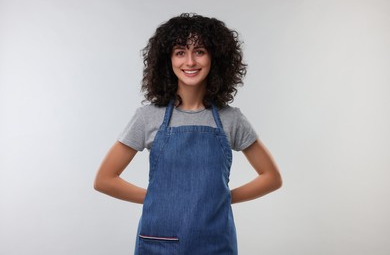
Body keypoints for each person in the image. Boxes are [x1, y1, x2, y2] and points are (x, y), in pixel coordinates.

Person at [94, 13, 282, 255]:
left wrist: (219, 200)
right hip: (159, 239)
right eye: (180, 52)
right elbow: (104, 179)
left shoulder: (231, 119)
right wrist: (159, 199)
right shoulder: (147, 117)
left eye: (200, 51)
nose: (190, 61)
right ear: (168, 60)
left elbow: (272, 177)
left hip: (215, 241)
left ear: (215, 58)